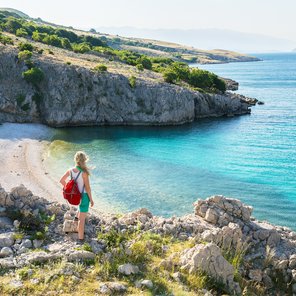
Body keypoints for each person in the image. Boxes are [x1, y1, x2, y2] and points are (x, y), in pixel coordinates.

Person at [60, 151, 94, 241]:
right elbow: (88, 188)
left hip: (75, 197)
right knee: (82, 220)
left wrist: (70, 190)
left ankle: (74, 224)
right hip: (84, 197)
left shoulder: (70, 170)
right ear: (84, 160)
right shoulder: (84, 173)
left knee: (80, 210)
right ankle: (81, 239)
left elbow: (62, 181)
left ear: (75, 160)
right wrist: (91, 199)